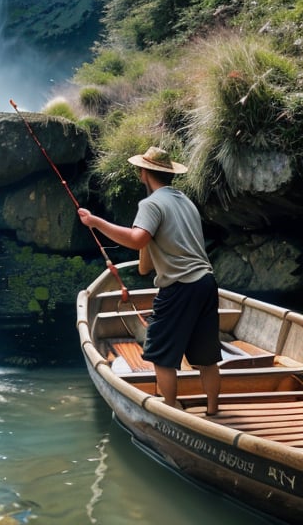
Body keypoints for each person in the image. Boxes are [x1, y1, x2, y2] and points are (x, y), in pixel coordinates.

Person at [77, 145, 220, 415]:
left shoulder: (151, 203)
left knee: (159, 355)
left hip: (180, 287)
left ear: (144, 172)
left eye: (140, 170)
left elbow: (137, 239)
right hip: (206, 283)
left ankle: (171, 409)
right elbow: (145, 264)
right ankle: (213, 410)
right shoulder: (185, 202)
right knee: (206, 357)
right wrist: (145, 259)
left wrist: (95, 222)